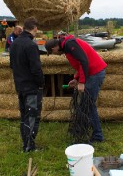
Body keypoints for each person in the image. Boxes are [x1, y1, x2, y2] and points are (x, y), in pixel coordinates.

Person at [45, 33, 107, 143]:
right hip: (92, 73)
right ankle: (80, 130)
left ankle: (98, 135)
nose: (55, 54)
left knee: (88, 105)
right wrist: (76, 78)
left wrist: (82, 82)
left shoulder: (69, 45)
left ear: (54, 48)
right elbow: (80, 64)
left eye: (52, 52)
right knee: (84, 104)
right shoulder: (67, 46)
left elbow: (84, 61)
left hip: (95, 73)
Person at [9, 17, 44, 152]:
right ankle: (29, 147)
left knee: (24, 116)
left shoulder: (14, 43)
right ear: (34, 28)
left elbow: (12, 65)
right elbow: (36, 69)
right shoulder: (31, 45)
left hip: (20, 85)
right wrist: (41, 83)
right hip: (31, 87)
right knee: (32, 117)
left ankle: (26, 143)